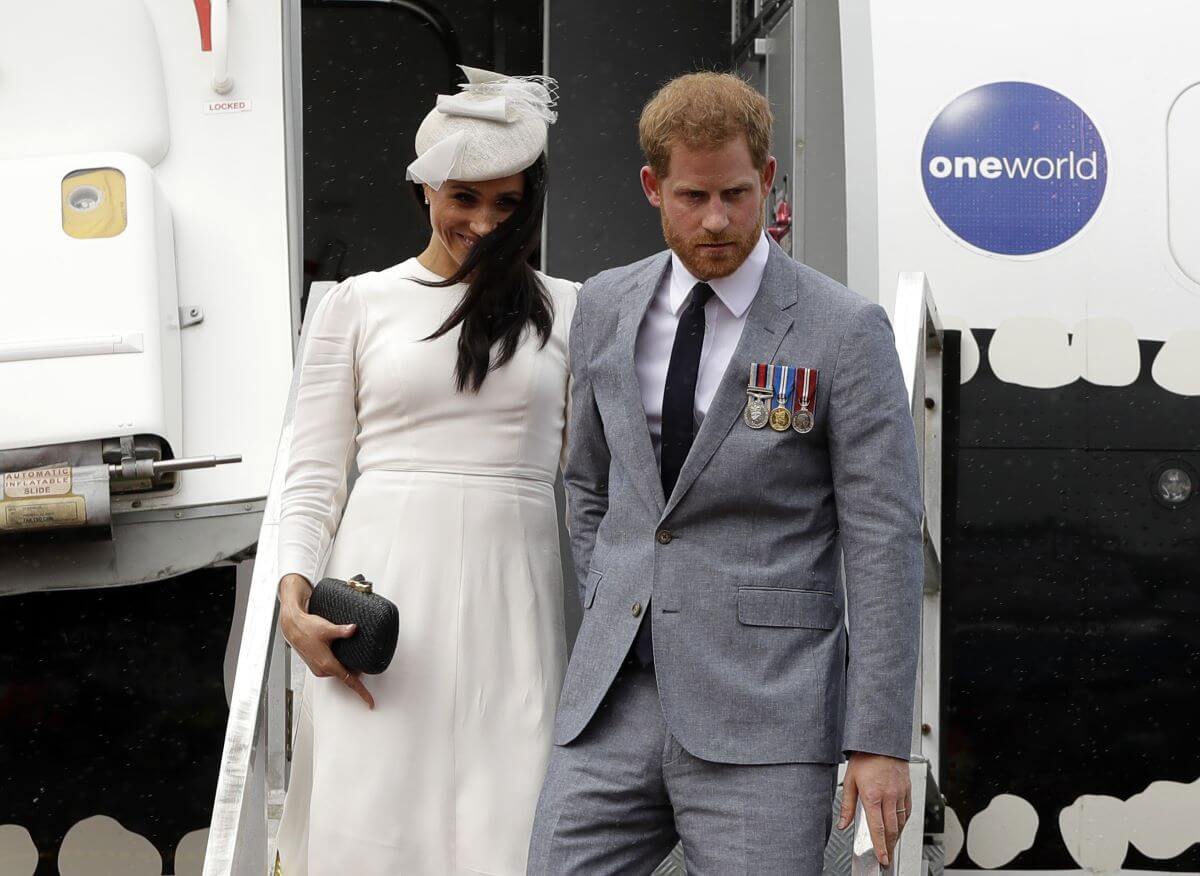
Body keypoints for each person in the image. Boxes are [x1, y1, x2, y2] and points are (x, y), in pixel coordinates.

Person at [528, 72, 923, 875]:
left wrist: (877, 739)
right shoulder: (604, 304)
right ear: (652, 187)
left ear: (768, 180)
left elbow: (884, 540)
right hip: (613, 701)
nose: (716, 220)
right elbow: (590, 488)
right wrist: (618, 602)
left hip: (768, 716)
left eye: (737, 194)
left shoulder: (845, 331)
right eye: (693, 196)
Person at [272, 66, 576, 875]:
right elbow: (311, 474)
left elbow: (595, 482)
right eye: (464, 197)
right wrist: (291, 597)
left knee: (509, 815)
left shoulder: (574, 307)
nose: (484, 220)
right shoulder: (357, 303)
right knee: (373, 815)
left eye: (508, 202)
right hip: (381, 588)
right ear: (425, 190)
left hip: (518, 596)